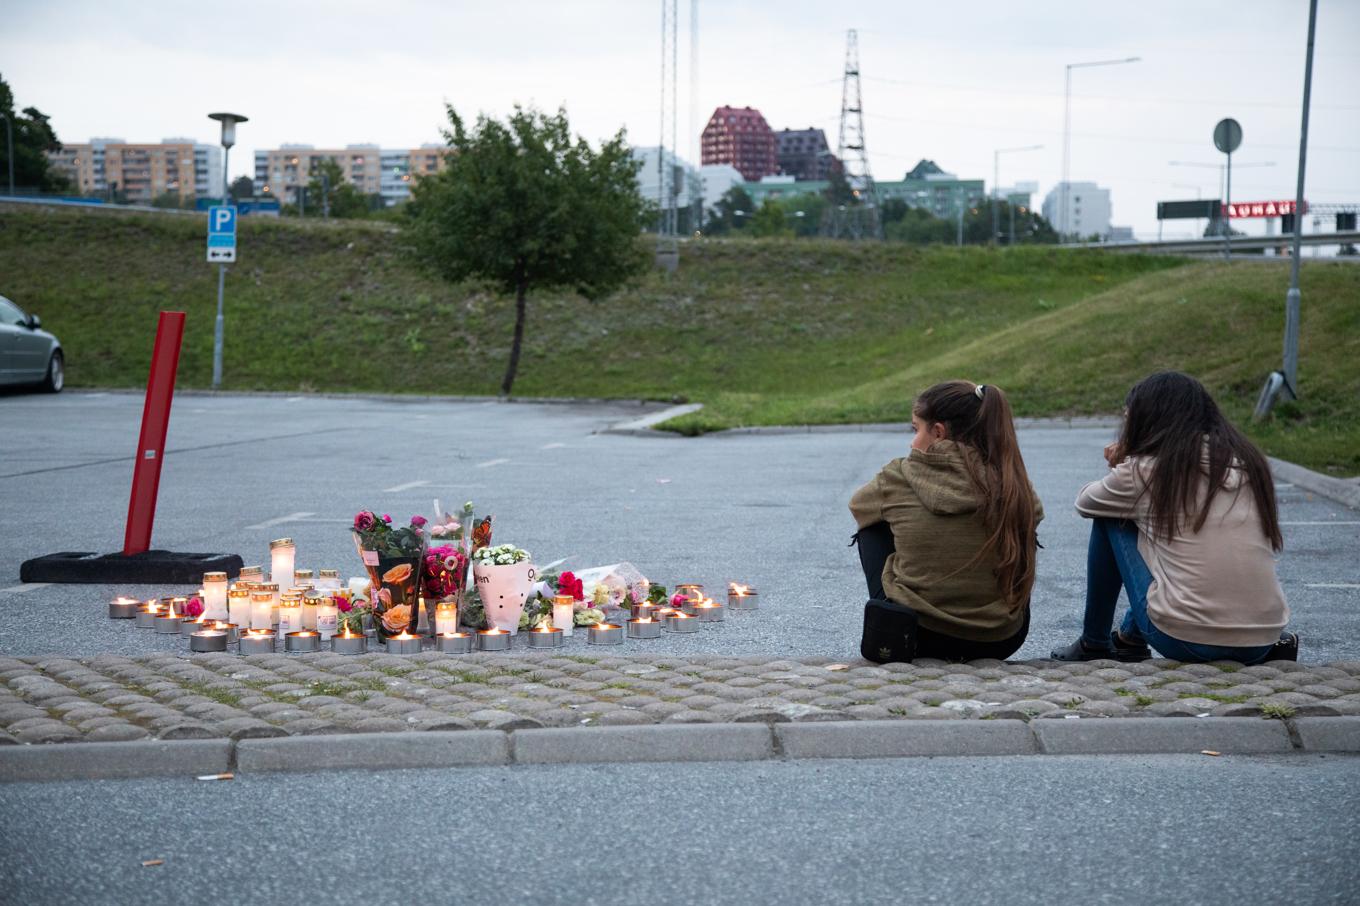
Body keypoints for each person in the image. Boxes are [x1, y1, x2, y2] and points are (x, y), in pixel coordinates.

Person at [1052, 371, 1296, 664]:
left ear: (1148, 420)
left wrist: (1125, 461)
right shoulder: (1248, 463)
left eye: (1128, 417)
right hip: (1262, 639)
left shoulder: (1147, 471)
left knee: (1110, 517)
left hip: (1186, 639)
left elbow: (1086, 502)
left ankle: (1094, 643)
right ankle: (1129, 637)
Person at [850, 380, 1043, 661]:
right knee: (1020, 524)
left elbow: (857, 506)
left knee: (873, 525)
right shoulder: (1011, 480)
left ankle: (896, 610)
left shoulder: (899, 474)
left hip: (915, 635)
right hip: (1000, 638)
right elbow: (1035, 515)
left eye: (916, 430)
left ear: (938, 432)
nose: (912, 441)